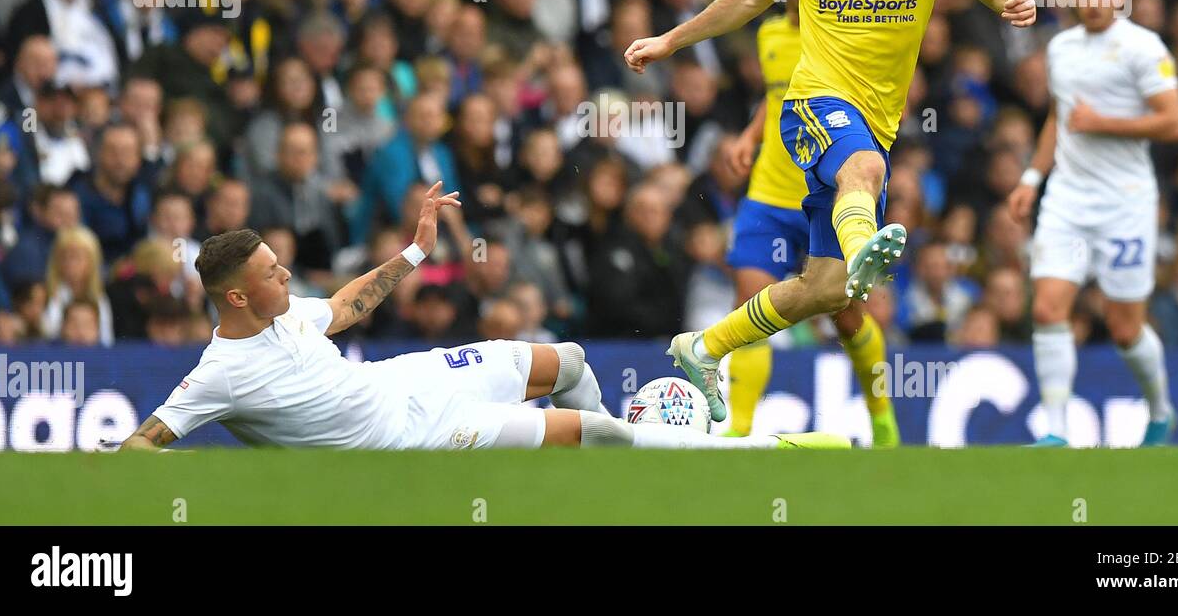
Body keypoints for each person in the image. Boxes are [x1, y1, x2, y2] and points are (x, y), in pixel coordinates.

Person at [624, 0, 1035, 421]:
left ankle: (704, 347)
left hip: (875, 123)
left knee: (826, 290)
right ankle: (865, 241)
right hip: (813, 104)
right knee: (862, 171)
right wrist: (670, 39)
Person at [119, 182, 848, 451]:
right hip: (411, 434)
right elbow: (147, 441)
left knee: (566, 359)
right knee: (593, 430)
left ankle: (607, 468)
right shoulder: (218, 372)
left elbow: (343, 305)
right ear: (236, 296)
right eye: (272, 273)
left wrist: (412, 250)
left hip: (408, 379)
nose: (286, 274)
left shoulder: (285, 314)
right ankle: (761, 452)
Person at [1007, 0, 1178, 447]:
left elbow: (1174, 122)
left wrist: (1102, 123)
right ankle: (1056, 431)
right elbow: (1059, 119)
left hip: (1125, 203)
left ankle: (1160, 410)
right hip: (1067, 198)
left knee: (1125, 328)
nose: (1092, 2)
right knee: (1047, 309)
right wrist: (1031, 177)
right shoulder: (1061, 48)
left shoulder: (1142, 48)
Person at [721, 0, 899, 445]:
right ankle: (739, 430)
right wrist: (750, 133)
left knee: (845, 314)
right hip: (767, 196)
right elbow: (778, 93)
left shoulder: (840, 33)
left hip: (827, 191)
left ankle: (881, 417)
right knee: (748, 299)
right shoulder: (769, 34)